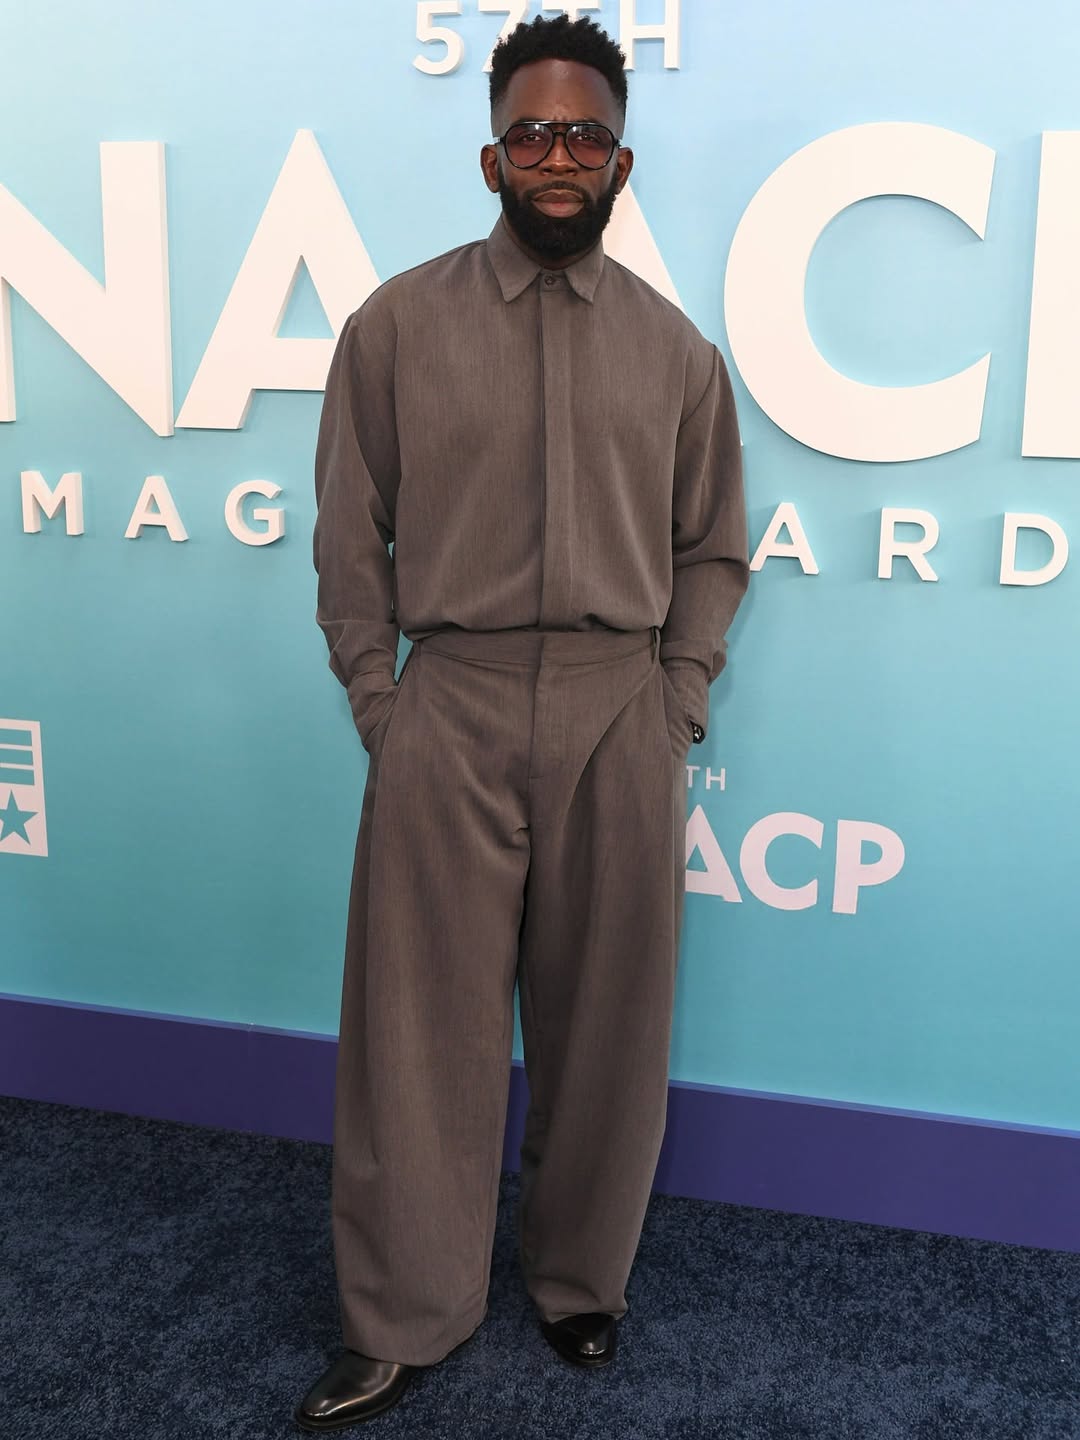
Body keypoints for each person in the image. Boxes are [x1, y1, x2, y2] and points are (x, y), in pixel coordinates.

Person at [295, 13, 749, 1432]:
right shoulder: (394, 326)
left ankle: (577, 1280)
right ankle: (401, 1313)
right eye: (535, 134)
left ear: (622, 159)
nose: (561, 159)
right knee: (414, 1032)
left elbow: (713, 548)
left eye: (588, 137)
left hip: (623, 711)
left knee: (609, 1021)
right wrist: (386, 703)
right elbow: (344, 537)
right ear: (493, 151)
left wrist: (674, 706)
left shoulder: (678, 355)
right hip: (454, 703)